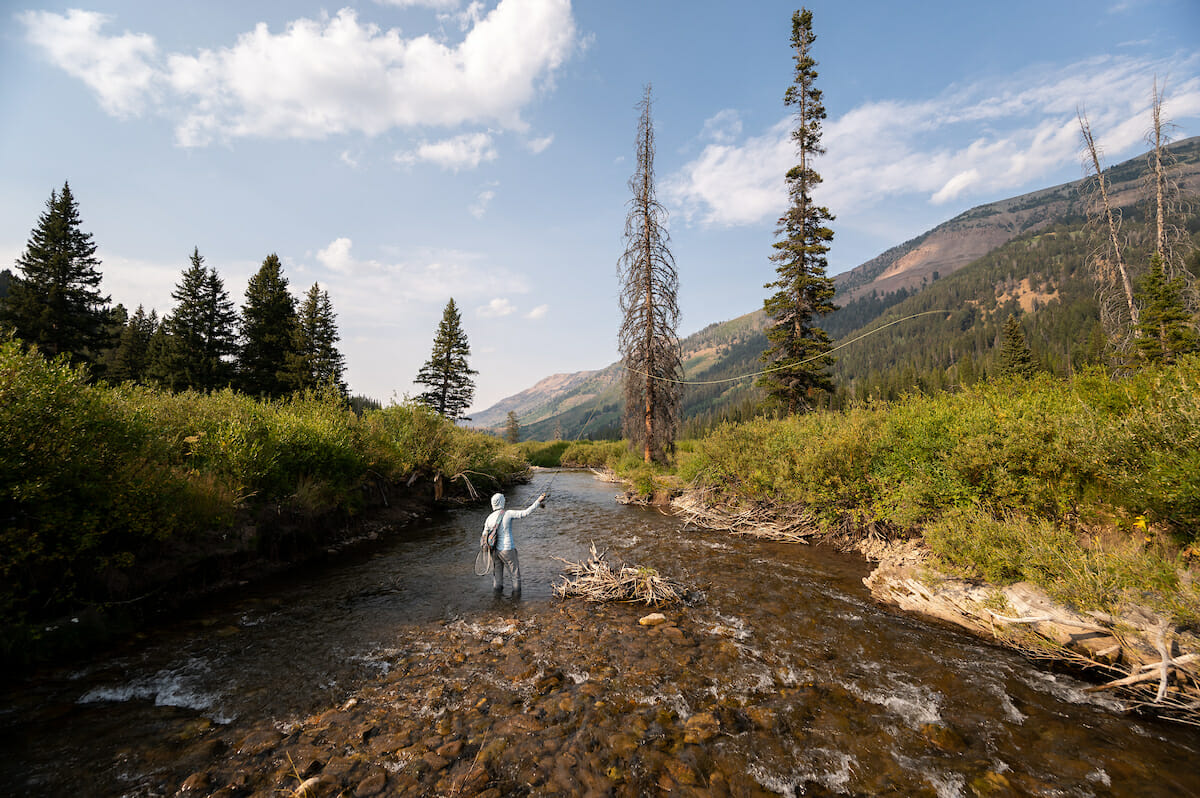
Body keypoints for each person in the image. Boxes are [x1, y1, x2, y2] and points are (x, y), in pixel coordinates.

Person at [481, 491, 545, 595]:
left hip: (494, 551)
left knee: (497, 577)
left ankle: (497, 601)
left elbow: (484, 535)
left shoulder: (489, 518)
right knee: (515, 576)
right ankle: (516, 601)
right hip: (507, 550)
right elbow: (526, 513)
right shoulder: (508, 513)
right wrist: (538, 501)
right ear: (501, 502)